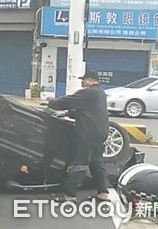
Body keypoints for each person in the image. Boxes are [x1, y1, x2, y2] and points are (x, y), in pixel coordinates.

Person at [47, 70, 110, 202]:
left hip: (88, 133)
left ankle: (70, 196)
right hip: (101, 133)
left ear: (90, 79)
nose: (83, 82)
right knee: (97, 162)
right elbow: (86, 111)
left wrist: (52, 102)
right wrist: (66, 114)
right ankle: (103, 193)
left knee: (79, 163)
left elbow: (66, 101)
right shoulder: (100, 93)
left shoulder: (89, 92)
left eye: (84, 79)